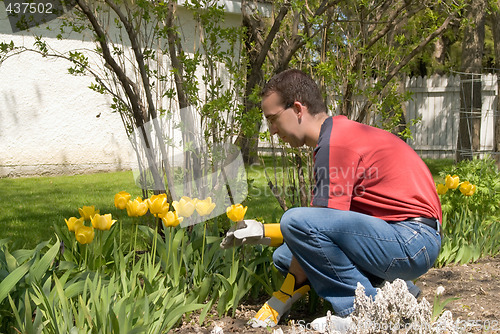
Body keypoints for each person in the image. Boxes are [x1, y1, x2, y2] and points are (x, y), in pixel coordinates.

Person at [220, 69, 442, 332]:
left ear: (298, 109)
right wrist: (263, 233)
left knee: (295, 221)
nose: (272, 131)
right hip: (405, 238)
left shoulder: (336, 144)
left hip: (411, 241)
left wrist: (280, 298)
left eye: (273, 119)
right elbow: (322, 232)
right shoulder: (339, 134)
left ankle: (361, 312)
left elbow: (309, 227)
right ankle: (397, 292)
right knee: (284, 256)